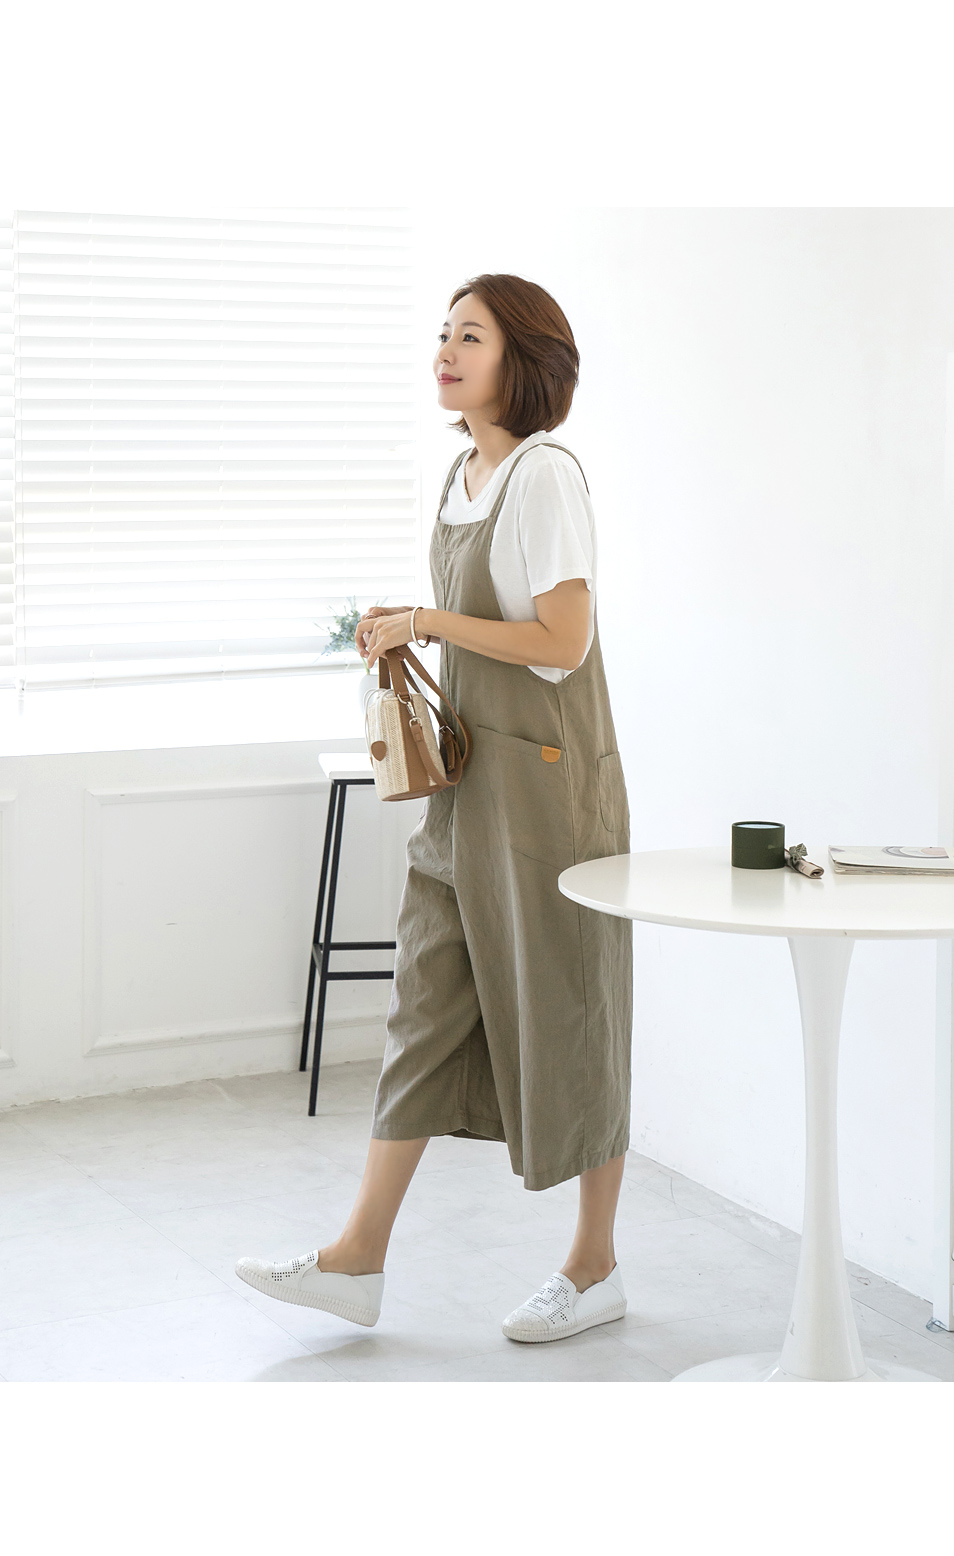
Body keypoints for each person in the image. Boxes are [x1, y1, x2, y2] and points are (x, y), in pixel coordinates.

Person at [237, 274, 632, 1350]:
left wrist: (428, 617)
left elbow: (563, 643)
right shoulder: (462, 475)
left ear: (523, 358)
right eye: (443, 335)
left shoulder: (543, 476)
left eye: (471, 336)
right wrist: (409, 628)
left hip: (551, 794)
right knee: (423, 1009)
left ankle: (594, 1266)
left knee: (573, 1012)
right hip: (469, 788)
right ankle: (356, 1259)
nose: (445, 353)